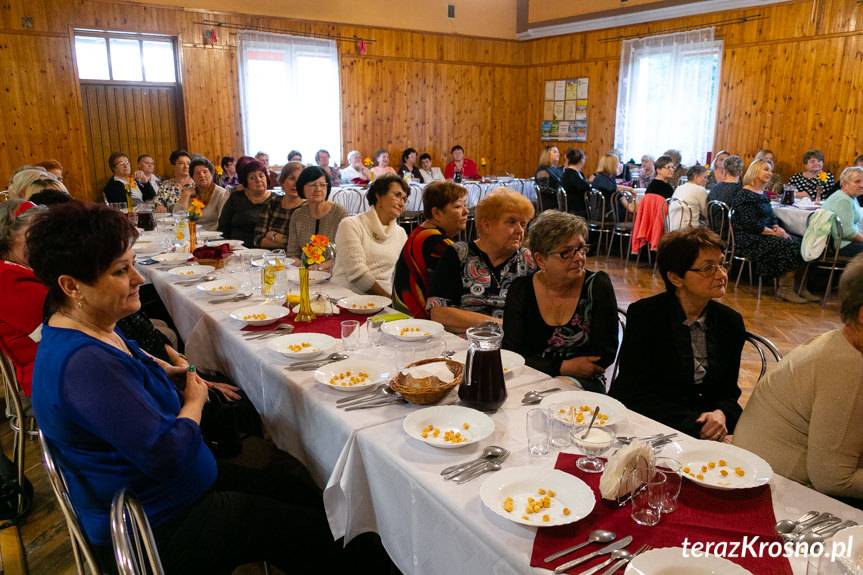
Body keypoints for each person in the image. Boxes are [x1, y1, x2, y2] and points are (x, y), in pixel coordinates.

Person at [28, 202, 340, 573]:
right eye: (121, 270)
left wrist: (176, 372)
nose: (138, 279)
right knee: (318, 531)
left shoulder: (92, 327)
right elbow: (167, 453)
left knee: (303, 492)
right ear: (71, 286)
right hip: (159, 525)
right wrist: (194, 401)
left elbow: (141, 370)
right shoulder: (84, 365)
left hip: (176, 487)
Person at [734, 253, 863, 501]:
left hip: (773, 478)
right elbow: (834, 479)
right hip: (778, 496)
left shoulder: (842, 346)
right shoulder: (849, 365)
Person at [610, 228, 745, 440]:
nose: (722, 274)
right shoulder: (646, 316)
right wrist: (695, 423)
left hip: (709, 425)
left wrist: (721, 414)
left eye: (722, 264)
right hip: (655, 423)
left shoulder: (730, 322)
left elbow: (729, 392)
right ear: (675, 278)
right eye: (708, 268)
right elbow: (632, 392)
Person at [502, 211, 618, 393]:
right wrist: (563, 366)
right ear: (540, 259)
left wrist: (565, 372)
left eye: (581, 248)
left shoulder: (596, 286)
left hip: (583, 382)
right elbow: (512, 353)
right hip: (526, 377)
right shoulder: (521, 289)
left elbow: (604, 355)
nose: (579, 257)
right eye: (566, 253)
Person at [427, 188, 535, 331]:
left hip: (515, 345)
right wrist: (501, 325)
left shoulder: (527, 259)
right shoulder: (459, 254)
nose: (520, 230)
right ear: (487, 225)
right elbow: (439, 313)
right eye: (511, 222)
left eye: (523, 224)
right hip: (467, 343)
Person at [731, 159, 811, 303]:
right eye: (766, 169)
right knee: (790, 245)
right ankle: (784, 288)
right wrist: (775, 233)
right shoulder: (745, 194)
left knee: (803, 242)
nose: (770, 173)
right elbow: (750, 224)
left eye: (770, 170)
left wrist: (777, 227)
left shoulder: (762, 193)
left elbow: (771, 216)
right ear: (755, 171)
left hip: (763, 233)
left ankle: (799, 286)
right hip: (749, 238)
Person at [392, 182, 468, 318]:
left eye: (465, 205)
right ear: (437, 213)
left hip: (403, 313)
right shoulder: (438, 243)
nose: (466, 211)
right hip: (419, 322)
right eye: (458, 206)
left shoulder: (421, 232)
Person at [333, 175, 409, 295]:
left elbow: (402, 275)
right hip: (347, 296)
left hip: (384, 299)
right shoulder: (351, 224)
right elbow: (357, 274)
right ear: (378, 196)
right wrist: (390, 302)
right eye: (397, 195)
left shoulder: (400, 233)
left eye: (404, 199)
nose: (402, 203)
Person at [0, 200, 46, 397]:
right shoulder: (7, 279)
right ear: (8, 236)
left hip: (60, 360)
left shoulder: (17, 268)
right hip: (46, 375)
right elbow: (62, 329)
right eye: (35, 232)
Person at [286, 166, 346, 263]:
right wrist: (303, 267)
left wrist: (321, 267)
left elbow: (347, 254)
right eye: (313, 185)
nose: (318, 189)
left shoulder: (340, 214)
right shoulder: (297, 215)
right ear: (302, 188)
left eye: (322, 185)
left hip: (334, 272)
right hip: (305, 273)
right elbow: (292, 253)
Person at [217, 158, 278, 248]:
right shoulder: (236, 197)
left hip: (265, 250)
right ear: (246, 182)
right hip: (236, 249)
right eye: (252, 178)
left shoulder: (276, 200)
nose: (258, 180)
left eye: (261, 176)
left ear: (267, 178)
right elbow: (223, 226)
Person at [255, 162, 305, 249]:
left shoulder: (307, 208)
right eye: (291, 178)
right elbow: (257, 239)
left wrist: (272, 235)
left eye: (300, 179)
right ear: (282, 181)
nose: (296, 184)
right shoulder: (272, 202)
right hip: (266, 257)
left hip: (294, 259)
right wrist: (287, 241)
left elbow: (302, 245)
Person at [173, 157, 229, 231]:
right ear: (192, 177)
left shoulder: (221, 193)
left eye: (205, 172)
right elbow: (177, 216)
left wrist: (202, 233)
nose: (202, 175)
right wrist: (186, 195)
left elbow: (222, 222)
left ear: (212, 174)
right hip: (191, 234)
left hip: (213, 236)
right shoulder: (190, 192)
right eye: (197, 173)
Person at [821, 166, 863, 257]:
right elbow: (847, 232)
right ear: (844, 184)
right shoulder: (843, 200)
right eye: (857, 181)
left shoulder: (850, 197)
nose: (862, 185)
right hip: (843, 245)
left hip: (848, 242)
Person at [671, 164, 709, 229]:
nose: (707, 180)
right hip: (688, 230)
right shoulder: (700, 189)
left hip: (671, 226)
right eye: (705, 177)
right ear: (696, 177)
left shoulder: (679, 188)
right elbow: (706, 213)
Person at [560, 148, 590, 219]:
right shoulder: (571, 175)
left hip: (573, 207)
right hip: (576, 210)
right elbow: (586, 188)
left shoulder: (571, 173)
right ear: (581, 161)